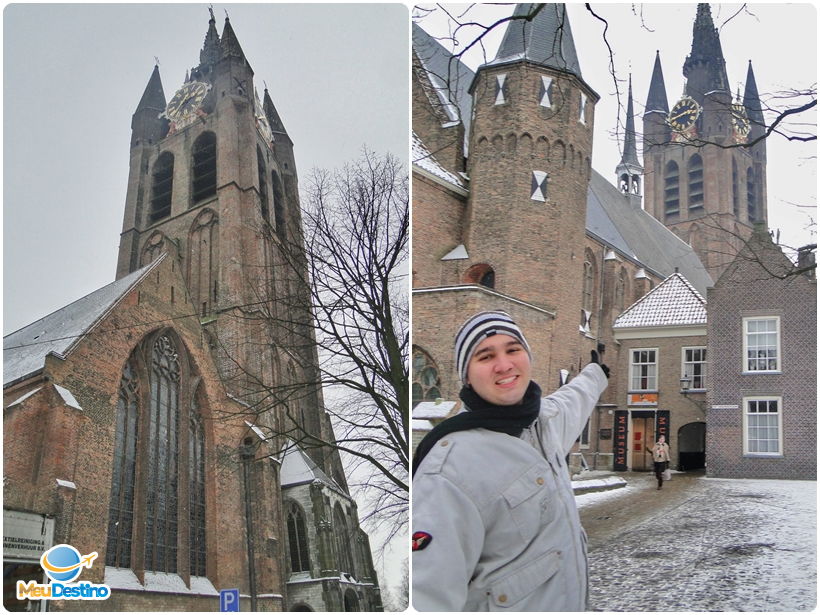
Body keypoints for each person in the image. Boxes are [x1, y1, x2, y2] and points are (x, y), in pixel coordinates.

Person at [411, 311, 610, 611]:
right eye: (485, 356)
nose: (504, 365)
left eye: (513, 350)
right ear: (466, 375)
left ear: (527, 356)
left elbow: (575, 397)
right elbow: (427, 595)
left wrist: (596, 373)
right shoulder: (447, 471)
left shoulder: (544, 421)